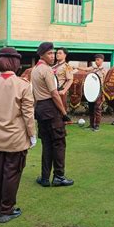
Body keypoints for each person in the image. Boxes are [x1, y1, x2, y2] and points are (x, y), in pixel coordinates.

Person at [0, 47, 36, 223]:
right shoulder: (23, 85)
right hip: (15, 138)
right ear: (16, 63)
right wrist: (32, 134)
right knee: (11, 173)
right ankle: (6, 210)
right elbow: (28, 114)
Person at [31, 42, 74, 187]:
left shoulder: (34, 70)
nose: (53, 56)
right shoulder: (47, 70)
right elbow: (54, 94)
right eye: (49, 53)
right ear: (42, 54)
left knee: (47, 144)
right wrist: (64, 113)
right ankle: (59, 176)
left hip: (41, 110)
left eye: (53, 53)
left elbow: (35, 95)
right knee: (59, 143)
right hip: (50, 108)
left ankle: (45, 178)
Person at [78, 54, 107, 131]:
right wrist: (76, 67)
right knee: (91, 108)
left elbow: (104, 84)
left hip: (99, 92)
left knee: (97, 109)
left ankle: (97, 125)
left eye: (98, 60)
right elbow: (85, 69)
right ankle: (91, 124)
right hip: (91, 92)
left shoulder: (104, 71)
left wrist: (103, 95)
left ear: (102, 60)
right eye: (96, 60)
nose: (96, 61)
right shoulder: (93, 68)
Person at [52, 48, 73, 113]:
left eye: (60, 53)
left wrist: (64, 91)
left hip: (61, 92)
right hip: (53, 91)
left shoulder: (67, 66)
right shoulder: (53, 66)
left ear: (65, 55)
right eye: (57, 53)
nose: (57, 55)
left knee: (61, 111)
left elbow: (70, 80)